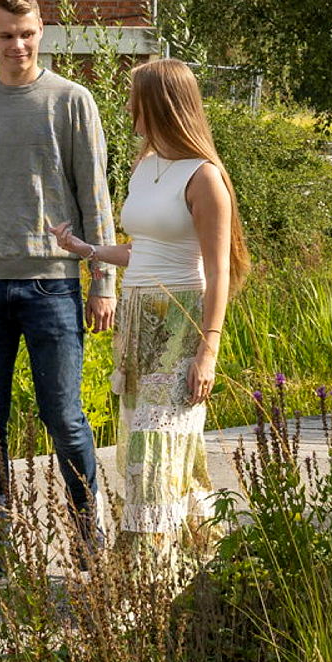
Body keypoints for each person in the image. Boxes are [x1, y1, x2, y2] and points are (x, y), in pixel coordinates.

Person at [0, 0, 116, 558]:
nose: (18, 44)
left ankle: (90, 540)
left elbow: (95, 197)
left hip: (52, 284)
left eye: (28, 33)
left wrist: (101, 282)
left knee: (63, 417)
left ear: (43, 32)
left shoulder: (71, 101)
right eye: (7, 34)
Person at [52, 58, 250, 561]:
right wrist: (85, 249)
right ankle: (201, 558)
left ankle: (149, 573)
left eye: (135, 98)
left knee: (153, 448)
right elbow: (143, 249)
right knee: (159, 447)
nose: (128, 107)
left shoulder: (205, 178)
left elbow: (219, 269)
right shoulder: (145, 166)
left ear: (160, 105)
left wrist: (210, 349)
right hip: (138, 320)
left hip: (181, 321)